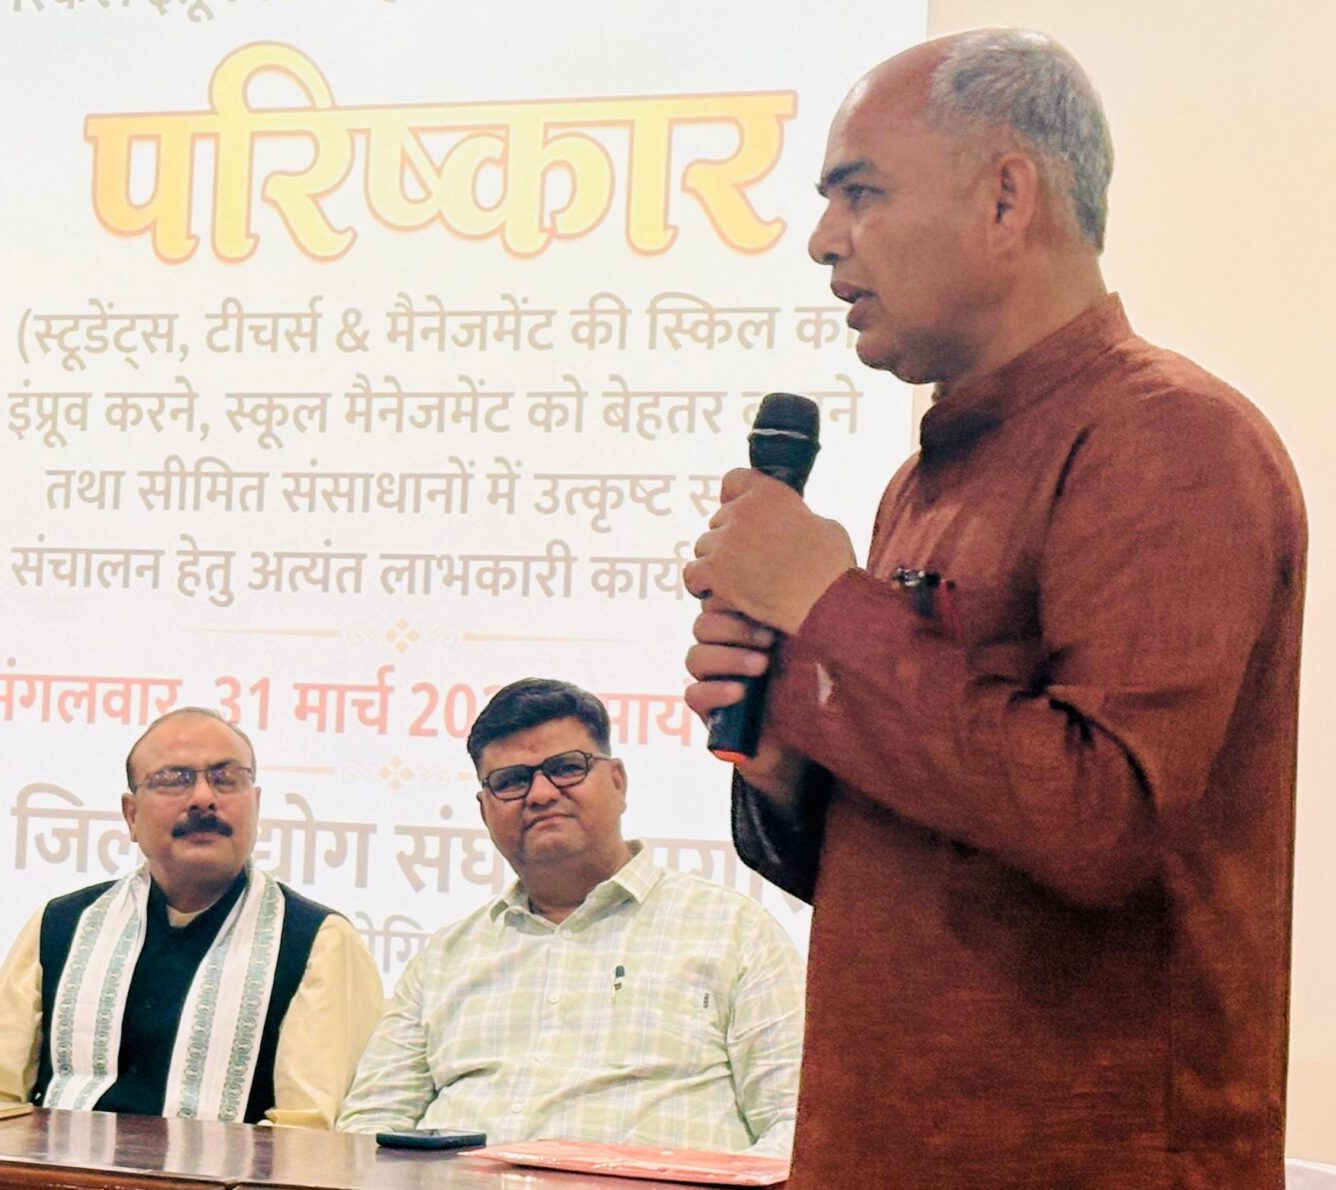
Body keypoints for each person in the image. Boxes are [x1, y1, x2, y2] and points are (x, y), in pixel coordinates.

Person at [681, 30, 1303, 1187]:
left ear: (1006, 197)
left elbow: (1101, 823)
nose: (822, 241)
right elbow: (933, 878)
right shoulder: (920, 482)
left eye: (859, 193)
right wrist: (787, 767)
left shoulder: (1170, 438)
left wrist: (825, 610)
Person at [337, 680, 801, 1154]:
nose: (540, 794)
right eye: (511, 781)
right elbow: (367, 1130)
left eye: (566, 768)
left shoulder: (734, 933)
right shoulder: (444, 959)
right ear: (484, 810)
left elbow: (795, 1126)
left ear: (617, 782)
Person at [0, 707, 383, 1127]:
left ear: (255, 804)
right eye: (174, 780)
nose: (204, 798)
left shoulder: (318, 943)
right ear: (131, 815)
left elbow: (309, 1135)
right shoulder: (62, 926)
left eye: (226, 778)